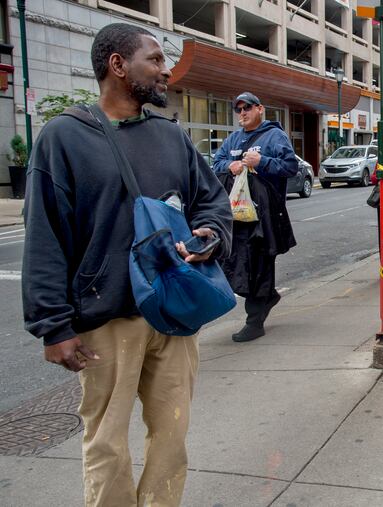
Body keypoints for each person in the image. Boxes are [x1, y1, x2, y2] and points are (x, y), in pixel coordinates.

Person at [22, 23, 232, 506]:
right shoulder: (63, 138)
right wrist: (53, 326)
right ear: (118, 65)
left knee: (172, 438)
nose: (165, 71)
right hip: (106, 320)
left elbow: (212, 203)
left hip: (174, 313)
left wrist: (210, 236)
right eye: (155, 60)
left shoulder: (170, 136)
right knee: (107, 443)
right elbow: (45, 237)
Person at [213, 92, 298, 342]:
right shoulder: (233, 139)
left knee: (260, 263)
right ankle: (266, 297)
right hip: (239, 213)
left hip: (265, 215)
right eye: (238, 109)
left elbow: (290, 167)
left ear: (259, 109)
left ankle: (255, 321)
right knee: (239, 261)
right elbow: (216, 163)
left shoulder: (275, 135)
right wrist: (230, 166)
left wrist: (262, 161)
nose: (242, 113)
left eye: (247, 108)